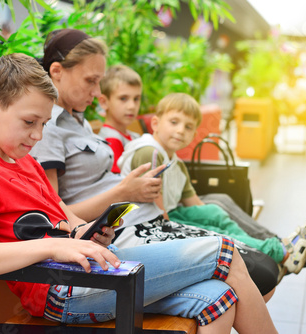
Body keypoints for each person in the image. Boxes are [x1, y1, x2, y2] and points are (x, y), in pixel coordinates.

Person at [0, 53, 278, 333]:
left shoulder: (25, 162)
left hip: (94, 270)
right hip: (61, 289)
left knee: (219, 297)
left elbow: (66, 220)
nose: (37, 136)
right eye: (29, 122)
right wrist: (55, 245)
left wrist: (89, 233)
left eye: (43, 124)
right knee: (225, 252)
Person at [29, 28, 281, 295]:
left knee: (263, 270)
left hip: (145, 221)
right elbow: (55, 213)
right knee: (260, 273)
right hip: (129, 234)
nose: (98, 90)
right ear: (56, 71)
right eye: (91, 80)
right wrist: (123, 192)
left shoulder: (79, 121)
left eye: (99, 80)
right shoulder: (48, 128)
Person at [118, 92, 306, 278]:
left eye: (188, 127)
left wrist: (212, 217)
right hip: (152, 224)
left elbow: (193, 202)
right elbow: (160, 215)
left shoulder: (175, 162)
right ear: (155, 123)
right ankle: (280, 252)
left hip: (170, 214)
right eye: (174, 122)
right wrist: (201, 227)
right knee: (219, 232)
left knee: (214, 212)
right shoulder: (149, 153)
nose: (180, 130)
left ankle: (274, 249)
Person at [97, 64, 142, 173]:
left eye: (136, 99)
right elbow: (118, 181)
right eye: (123, 98)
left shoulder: (134, 136)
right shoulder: (111, 140)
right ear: (104, 102)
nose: (132, 106)